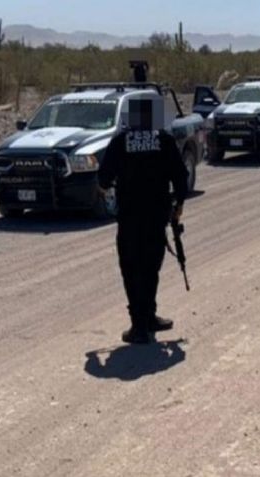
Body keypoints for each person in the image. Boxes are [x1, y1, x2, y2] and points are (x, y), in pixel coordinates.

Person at [98, 97, 189, 344]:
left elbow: (103, 179)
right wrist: (179, 205)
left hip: (129, 217)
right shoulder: (164, 140)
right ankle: (146, 318)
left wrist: (108, 189)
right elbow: (181, 177)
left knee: (131, 269)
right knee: (150, 268)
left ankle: (140, 323)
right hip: (156, 216)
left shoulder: (120, 142)